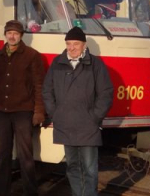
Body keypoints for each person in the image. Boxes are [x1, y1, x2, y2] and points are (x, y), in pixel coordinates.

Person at [43, 27, 113, 196]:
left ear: (84, 45)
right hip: (65, 125)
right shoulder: (57, 63)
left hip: (88, 127)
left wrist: (95, 117)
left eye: (76, 44)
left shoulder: (96, 64)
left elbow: (106, 93)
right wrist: (55, 114)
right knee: (73, 167)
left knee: (89, 169)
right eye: (68, 43)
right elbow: (47, 90)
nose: (72, 47)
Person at [0, 20, 45, 196]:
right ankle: (0, 190)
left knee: (25, 154)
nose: (12, 36)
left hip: (23, 110)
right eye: (9, 33)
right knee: (3, 153)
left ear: (21, 36)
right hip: (2, 110)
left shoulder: (32, 55)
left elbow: (39, 85)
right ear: (5, 34)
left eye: (15, 33)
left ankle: (30, 191)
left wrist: (39, 110)